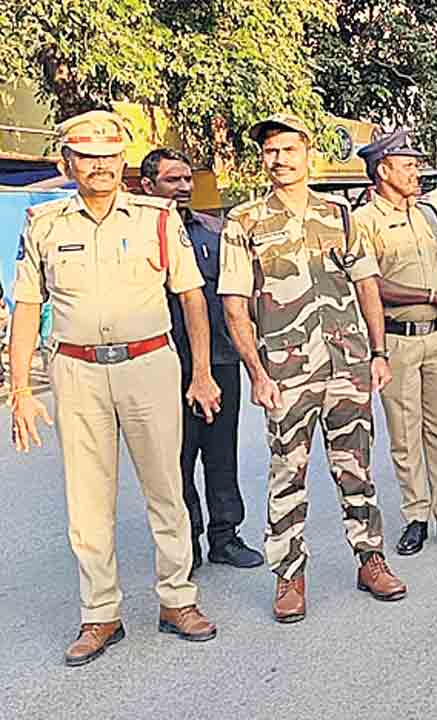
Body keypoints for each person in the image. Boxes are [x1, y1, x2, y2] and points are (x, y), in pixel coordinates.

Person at [9, 110, 218, 666]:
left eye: (108, 155)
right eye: (86, 155)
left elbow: (192, 297)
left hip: (149, 364)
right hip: (76, 371)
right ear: (67, 163)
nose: (99, 165)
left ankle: (177, 600)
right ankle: (100, 614)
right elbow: (28, 305)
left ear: (122, 162)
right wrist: (20, 391)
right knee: (87, 500)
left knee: (165, 489)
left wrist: (201, 372)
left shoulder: (156, 218)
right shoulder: (45, 223)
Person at [219, 112, 406, 624]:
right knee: (286, 475)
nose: (278, 159)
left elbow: (366, 285)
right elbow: (235, 304)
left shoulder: (341, 216)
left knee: (358, 470)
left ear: (309, 154)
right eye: (270, 151)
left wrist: (378, 352)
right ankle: (289, 577)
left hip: (348, 365)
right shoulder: (245, 223)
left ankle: (371, 560)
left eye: (288, 149)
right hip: (285, 372)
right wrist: (257, 372)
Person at [140, 148, 264, 573]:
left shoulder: (215, 232)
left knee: (220, 451)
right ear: (148, 186)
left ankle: (225, 536)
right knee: (175, 456)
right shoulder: (139, 235)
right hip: (164, 365)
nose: (183, 188)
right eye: (172, 180)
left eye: (187, 180)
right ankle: (186, 541)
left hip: (220, 360)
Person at [352, 129, 437, 557]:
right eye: (408, 165)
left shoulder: (427, 215)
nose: (416, 171)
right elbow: (371, 285)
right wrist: (429, 297)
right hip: (398, 341)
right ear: (384, 171)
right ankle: (416, 516)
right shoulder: (363, 223)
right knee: (404, 434)